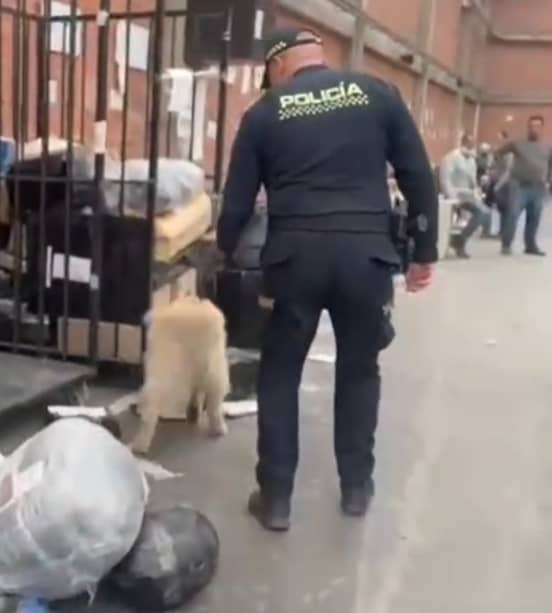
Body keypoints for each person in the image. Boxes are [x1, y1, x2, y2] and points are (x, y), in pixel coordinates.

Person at [217, 28, 438, 532]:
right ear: (320, 57)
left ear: (277, 67)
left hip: (294, 258)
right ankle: (356, 488)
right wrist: (423, 251)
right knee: (360, 371)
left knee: (279, 374)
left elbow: (236, 203)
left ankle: (275, 498)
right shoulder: (378, 94)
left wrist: (224, 250)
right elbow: (419, 176)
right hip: (367, 257)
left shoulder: (265, 112)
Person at [495, 116, 552, 256]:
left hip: (538, 188)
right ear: (528, 127)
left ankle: (530, 245)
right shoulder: (517, 144)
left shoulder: (547, 148)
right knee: (512, 215)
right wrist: (503, 170)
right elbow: (498, 153)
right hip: (519, 186)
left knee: (534, 217)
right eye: (531, 126)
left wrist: (548, 180)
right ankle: (506, 245)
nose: (534, 129)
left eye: (537, 126)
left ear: (542, 128)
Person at [438, 134, 488, 258]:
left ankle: (460, 239)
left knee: (482, 213)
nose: (470, 146)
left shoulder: (471, 160)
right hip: (453, 195)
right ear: (463, 142)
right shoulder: (451, 157)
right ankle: (451, 243)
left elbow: (472, 180)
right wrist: (452, 197)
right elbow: (445, 179)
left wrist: (477, 191)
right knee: (451, 221)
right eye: (468, 143)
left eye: (472, 144)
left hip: (467, 194)